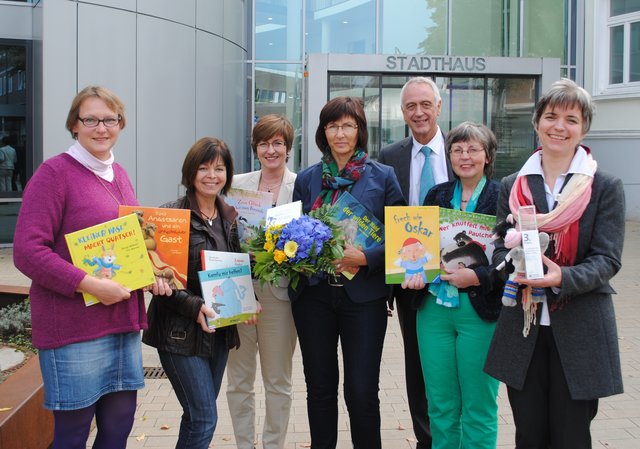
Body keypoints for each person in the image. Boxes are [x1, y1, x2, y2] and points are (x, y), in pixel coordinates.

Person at [13, 85, 171, 449]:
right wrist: (89, 284)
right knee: (72, 436)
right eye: (91, 120)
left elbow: (129, 245)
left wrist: (151, 277)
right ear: (74, 125)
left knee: (117, 431)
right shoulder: (54, 174)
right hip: (74, 330)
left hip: (121, 323)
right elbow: (27, 251)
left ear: (120, 124)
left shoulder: (119, 174)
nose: (101, 128)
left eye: (110, 119)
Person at [484, 79, 625, 448]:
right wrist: (512, 264)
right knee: (528, 434)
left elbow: (607, 260)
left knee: (571, 436)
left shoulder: (604, 187)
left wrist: (562, 276)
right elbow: (499, 248)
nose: (559, 126)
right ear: (536, 123)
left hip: (579, 329)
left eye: (571, 119)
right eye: (551, 116)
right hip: (523, 329)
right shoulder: (513, 185)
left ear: (584, 128)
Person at [290, 96, 405, 449]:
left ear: (360, 131)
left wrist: (366, 257)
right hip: (314, 297)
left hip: (364, 298)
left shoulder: (382, 176)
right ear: (323, 132)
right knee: (320, 387)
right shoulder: (308, 179)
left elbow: (403, 240)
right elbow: (291, 236)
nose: (340, 133)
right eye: (333, 126)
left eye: (348, 126)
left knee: (361, 389)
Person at [142, 137, 256, 449]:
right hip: (179, 334)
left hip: (219, 331)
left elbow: (239, 269)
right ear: (191, 172)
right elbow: (161, 280)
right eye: (204, 168)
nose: (211, 175)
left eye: (219, 168)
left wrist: (248, 299)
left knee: (196, 416)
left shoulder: (231, 218)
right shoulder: (170, 217)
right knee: (205, 417)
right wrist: (195, 307)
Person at [404, 122, 502, 449]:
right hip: (434, 311)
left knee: (478, 405)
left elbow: (513, 258)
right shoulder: (439, 194)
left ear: (487, 156)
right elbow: (421, 246)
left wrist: (478, 277)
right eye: (457, 150)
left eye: (473, 149)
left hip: (480, 311)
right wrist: (413, 271)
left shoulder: (503, 195)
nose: (465, 156)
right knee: (441, 405)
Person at [378, 76, 453, 449]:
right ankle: (428, 442)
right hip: (409, 281)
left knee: (456, 367)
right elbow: (380, 218)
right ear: (403, 112)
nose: (419, 112)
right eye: (411, 106)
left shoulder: (463, 149)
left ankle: (454, 438)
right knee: (417, 367)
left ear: (439, 107)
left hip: (459, 280)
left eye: (426, 104)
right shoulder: (390, 156)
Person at [226, 114, 298, 449]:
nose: (271, 150)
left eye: (278, 143)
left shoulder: (301, 185)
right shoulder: (235, 184)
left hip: (279, 294)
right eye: (264, 143)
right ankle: (244, 444)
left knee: (277, 381)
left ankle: (273, 445)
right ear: (255, 147)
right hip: (235, 289)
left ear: (287, 147)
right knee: (238, 379)